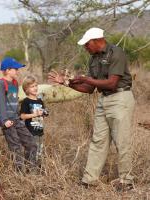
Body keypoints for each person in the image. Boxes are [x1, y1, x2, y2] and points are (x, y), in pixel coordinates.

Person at [48, 27, 135, 191]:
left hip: (120, 98)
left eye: (87, 44)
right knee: (98, 140)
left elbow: (112, 83)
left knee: (121, 141)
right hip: (104, 100)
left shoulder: (116, 53)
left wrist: (85, 78)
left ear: (97, 41)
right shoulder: (93, 59)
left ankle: (126, 181)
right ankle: (89, 180)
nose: (85, 48)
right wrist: (67, 83)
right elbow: (89, 89)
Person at [0, 57, 37, 171]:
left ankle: (31, 169)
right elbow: (1, 103)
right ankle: (19, 174)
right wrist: (4, 120)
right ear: (8, 70)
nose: (17, 71)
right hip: (7, 120)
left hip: (16, 118)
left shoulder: (14, 83)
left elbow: (14, 101)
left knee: (32, 143)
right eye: (15, 69)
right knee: (16, 147)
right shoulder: (0, 84)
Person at [20, 75, 47, 167]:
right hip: (30, 131)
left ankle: (38, 170)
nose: (35, 88)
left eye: (36, 85)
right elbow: (22, 116)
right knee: (31, 152)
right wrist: (34, 114)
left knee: (39, 152)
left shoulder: (40, 101)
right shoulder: (26, 101)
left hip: (39, 130)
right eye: (32, 86)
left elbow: (43, 112)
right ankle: (31, 171)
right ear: (26, 89)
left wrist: (44, 113)